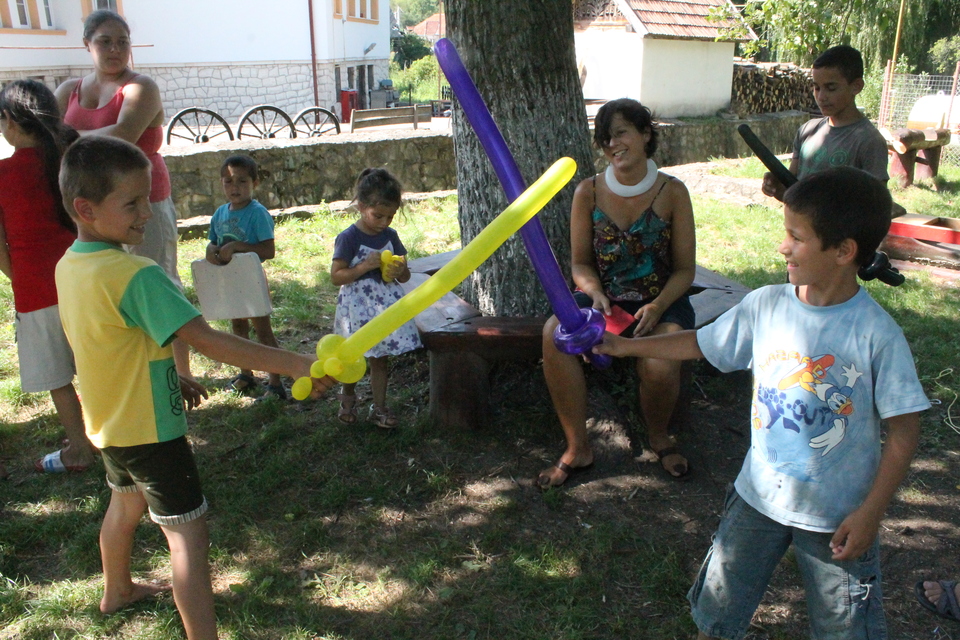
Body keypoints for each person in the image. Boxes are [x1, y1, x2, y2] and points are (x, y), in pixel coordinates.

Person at [595, 167, 930, 639]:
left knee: (846, 628)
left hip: (836, 517)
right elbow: (699, 343)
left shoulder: (877, 335)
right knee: (716, 615)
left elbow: (905, 430)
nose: (782, 247)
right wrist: (625, 347)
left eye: (797, 237)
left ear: (843, 251)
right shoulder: (767, 305)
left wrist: (871, 513)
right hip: (756, 498)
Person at [55, 136, 333, 640]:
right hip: (151, 431)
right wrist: (298, 364)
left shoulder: (70, 264)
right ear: (86, 208)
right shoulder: (137, 275)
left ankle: (117, 590)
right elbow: (208, 340)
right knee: (188, 539)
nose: (148, 212)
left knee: (125, 504)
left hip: (108, 426)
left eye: (147, 198)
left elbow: (108, 342)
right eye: (132, 203)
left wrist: (168, 371)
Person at [537, 98, 696, 488]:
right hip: (603, 301)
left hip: (662, 300)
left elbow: (685, 270)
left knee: (658, 363)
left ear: (646, 134)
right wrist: (593, 292)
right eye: (605, 138)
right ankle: (577, 447)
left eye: (621, 133)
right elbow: (580, 263)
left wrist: (658, 305)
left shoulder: (674, 192)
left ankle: (658, 437)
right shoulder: (587, 191)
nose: (612, 145)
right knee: (552, 333)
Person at [54, 9, 196, 384]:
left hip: (144, 201)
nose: (115, 49)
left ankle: (180, 376)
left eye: (123, 42)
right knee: (106, 286)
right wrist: (61, 142)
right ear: (87, 44)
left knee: (159, 280)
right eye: (105, 41)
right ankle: (128, 370)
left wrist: (67, 140)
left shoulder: (140, 87)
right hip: (92, 208)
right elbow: (46, 140)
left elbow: (122, 137)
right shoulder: (68, 91)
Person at [0, 80, 97, 477]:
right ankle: (111, 433)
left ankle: (79, 448)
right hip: (85, 278)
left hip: (36, 290)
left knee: (58, 376)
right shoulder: (68, 159)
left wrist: (20, 278)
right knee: (95, 362)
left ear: (9, 121)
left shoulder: (3, 173)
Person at [330, 168, 422, 429]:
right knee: (352, 355)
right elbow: (336, 276)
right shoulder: (349, 238)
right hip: (356, 308)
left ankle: (379, 407)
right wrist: (364, 267)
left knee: (380, 358)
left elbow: (405, 275)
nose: (384, 222)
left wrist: (400, 270)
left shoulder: (390, 237)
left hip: (384, 307)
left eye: (390, 216)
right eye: (378, 215)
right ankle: (348, 398)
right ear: (361, 207)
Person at [762, 45, 889, 201]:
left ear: (856, 86)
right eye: (816, 88)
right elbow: (792, 192)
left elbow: (877, 204)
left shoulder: (869, 141)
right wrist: (777, 186)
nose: (821, 97)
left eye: (831, 88)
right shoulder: (807, 130)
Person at [205, 155, 286, 400]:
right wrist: (210, 250)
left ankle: (275, 382)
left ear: (255, 183)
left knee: (263, 332)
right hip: (229, 281)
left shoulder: (257, 213)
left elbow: (268, 250)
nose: (235, 187)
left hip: (251, 280)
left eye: (242, 181)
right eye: (228, 182)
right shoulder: (219, 214)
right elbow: (213, 242)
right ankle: (246, 372)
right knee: (238, 327)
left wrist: (239, 246)